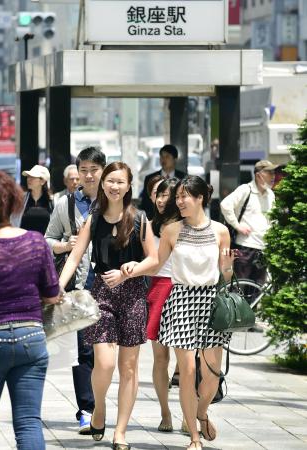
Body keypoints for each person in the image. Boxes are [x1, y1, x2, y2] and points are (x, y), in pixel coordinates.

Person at [122, 175, 236, 450]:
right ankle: (194, 438)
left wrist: (228, 266)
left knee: (212, 372)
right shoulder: (172, 230)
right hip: (181, 299)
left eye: (185, 196)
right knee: (187, 369)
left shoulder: (221, 231)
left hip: (212, 300)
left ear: (200, 199)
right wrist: (131, 270)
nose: (179, 201)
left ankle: (201, 413)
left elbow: (226, 275)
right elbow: (156, 264)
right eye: (179, 197)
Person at [59, 161, 158, 450]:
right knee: (103, 362)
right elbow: (75, 257)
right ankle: (99, 408)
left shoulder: (140, 219)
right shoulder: (95, 217)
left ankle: (121, 432)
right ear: (103, 184)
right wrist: (57, 287)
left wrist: (132, 268)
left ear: (128, 186)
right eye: (110, 181)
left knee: (129, 368)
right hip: (101, 293)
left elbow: (154, 260)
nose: (114, 186)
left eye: (120, 181)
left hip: (133, 296)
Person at [0, 168, 60, 450]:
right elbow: (53, 294)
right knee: (28, 423)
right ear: (14, 202)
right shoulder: (35, 241)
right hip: (32, 340)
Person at [45, 147, 106, 434]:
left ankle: (101, 407)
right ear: (77, 173)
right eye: (84, 170)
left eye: (94, 169)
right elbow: (47, 240)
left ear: (103, 171)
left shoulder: (114, 203)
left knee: (104, 353)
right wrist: (64, 246)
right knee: (82, 351)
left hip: (110, 287)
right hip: (79, 288)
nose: (89, 174)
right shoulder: (65, 204)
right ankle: (87, 409)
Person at [146, 177, 180, 433]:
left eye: (166, 195)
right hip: (156, 288)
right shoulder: (148, 226)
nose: (160, 200)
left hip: (181, 288)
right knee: (160, 357)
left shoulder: (186, 226)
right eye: (157, 194)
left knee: (186, 359)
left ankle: (193, 413)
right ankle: (165, 412)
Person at [220, 159, 277, 285]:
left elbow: (272, 219)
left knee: (257, 288)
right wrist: (237, 225)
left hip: (263, 248)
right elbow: (225, 205)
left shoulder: (271, 195)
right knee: (240, 286)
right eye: (269, 173)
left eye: (274, 173)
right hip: (245, 247)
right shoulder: (246, 189)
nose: (273, 177)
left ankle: (253, 306)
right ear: (258, 175)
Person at [139, 144, 186, 219]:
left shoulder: (183, 178)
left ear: (175, 159)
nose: (163, 159)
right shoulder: (150, 178)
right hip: (154, 219)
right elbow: (145, 203)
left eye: (167, 156)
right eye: (161, 156)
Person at [12, 164, 53, 235]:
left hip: (45, 244)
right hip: (24, 243)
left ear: (42, 181)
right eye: (28, 177)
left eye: (33, 177)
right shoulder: (20, 199)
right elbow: (13, 221)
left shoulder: (53, 201)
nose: (29, 179)